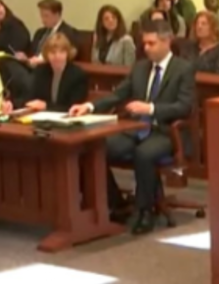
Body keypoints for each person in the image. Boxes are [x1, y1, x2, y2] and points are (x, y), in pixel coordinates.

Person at [69, 21, 196, 235]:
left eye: (151, 43)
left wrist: (151, 108)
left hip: (165, 131)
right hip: (135, 128)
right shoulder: (140, 67)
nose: (146, 48)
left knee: (144, 154)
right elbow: (118, 94)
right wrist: (89, 106)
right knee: (96, 148)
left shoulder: (183, 69)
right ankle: (115, 203)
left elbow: (184, 106)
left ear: (167, 41)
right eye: (144, 43)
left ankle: (145, 211)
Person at [21, 33, 88, 113]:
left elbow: (74, 108)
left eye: (61, 52)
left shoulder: (77, 75)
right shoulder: (40, 72)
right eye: (53, 52)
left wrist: (46, 106)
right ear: (46, 54)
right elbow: (29, 98)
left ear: (67, 53)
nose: (57, 56)